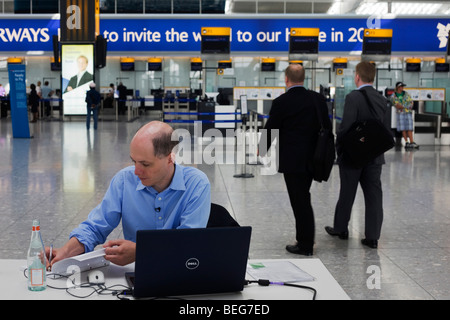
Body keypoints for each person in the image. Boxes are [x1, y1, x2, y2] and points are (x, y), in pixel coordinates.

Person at [46, 121, 211, 267]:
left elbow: (188, 242)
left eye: (145, 164)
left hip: (180, 270)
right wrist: (66, 252)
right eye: (134, 161)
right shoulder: (125, 180)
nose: (137, 171)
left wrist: (141, 251)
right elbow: (95, 227)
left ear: (170, 159)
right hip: (137, 272)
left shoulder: (196, 184)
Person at [259, 63, 331, 256]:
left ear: (286, 79)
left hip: (293, 161)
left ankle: (305, 244)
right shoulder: (317, 99)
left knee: (300, 200)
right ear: (304, 78)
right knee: (303, 197)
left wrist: (261, 150)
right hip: (316, 157)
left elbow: (271, 128)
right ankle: (306, 237)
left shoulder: (282, 101)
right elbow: (327, 127)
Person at [325, 61, 391, 249]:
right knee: (374, 196)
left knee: (347, 192)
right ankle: (372, 237)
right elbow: (385, 130)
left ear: (357, 76)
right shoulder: (381, 99)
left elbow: (345, 128)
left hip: (353, 156)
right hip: (375, 156)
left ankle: (341, 229)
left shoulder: (353, 97)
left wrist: (340, 149)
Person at [390, 81, 418, 149]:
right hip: (400, 113)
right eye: (401, 86)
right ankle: (406, 142)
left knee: (409, 128)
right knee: (403, 128)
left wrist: (403, 106)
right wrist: (406, 106)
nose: (403, 88)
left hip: (408, 112)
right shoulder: (393, 96)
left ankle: (412, 142)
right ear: (398, 87)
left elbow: (411, 103)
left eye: (403, 86)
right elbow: (397, 105)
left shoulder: (406, 94)